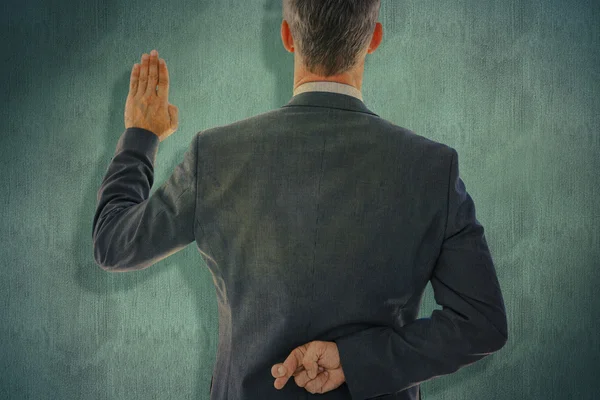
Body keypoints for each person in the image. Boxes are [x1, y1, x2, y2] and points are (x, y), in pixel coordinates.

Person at [92, 1, 508, 399]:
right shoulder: (433, 168)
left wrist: (140, 136)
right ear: (374, 38)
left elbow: (113, 243)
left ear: (287, 36)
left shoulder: (216, 154)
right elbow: (481, 323)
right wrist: (355, 361)